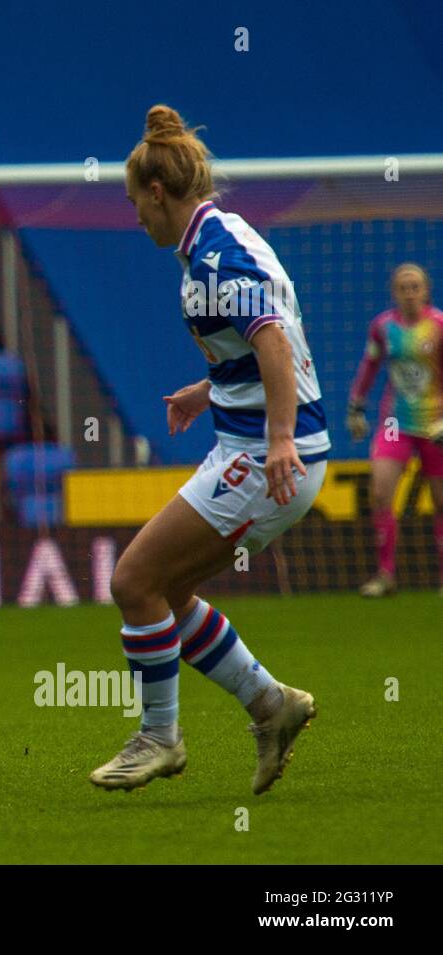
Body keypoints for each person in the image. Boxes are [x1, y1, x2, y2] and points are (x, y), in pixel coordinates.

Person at [90, 105, 323, 795]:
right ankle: (270, 705)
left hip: (267, 455)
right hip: (248, 440)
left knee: (134, 581)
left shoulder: (216, 256)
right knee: (167, 589)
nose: (136, 218)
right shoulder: (219, 237)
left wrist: (279, 440)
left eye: (136, 203)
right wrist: (207, 389)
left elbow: (274, 343)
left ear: (158, 193)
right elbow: (257, 345)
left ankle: (159, 738)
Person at [346, 263, 443, 597]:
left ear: (426, 290)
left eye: (415, 286)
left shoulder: (439, 326)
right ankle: (386, 575)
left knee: (441, 500)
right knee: (381, 492)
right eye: (403, 287)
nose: (410, 293)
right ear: (394, 292)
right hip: (395, 422)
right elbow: (370, 365)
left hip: (436, 424)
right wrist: (356, 406)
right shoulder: (384, 327)